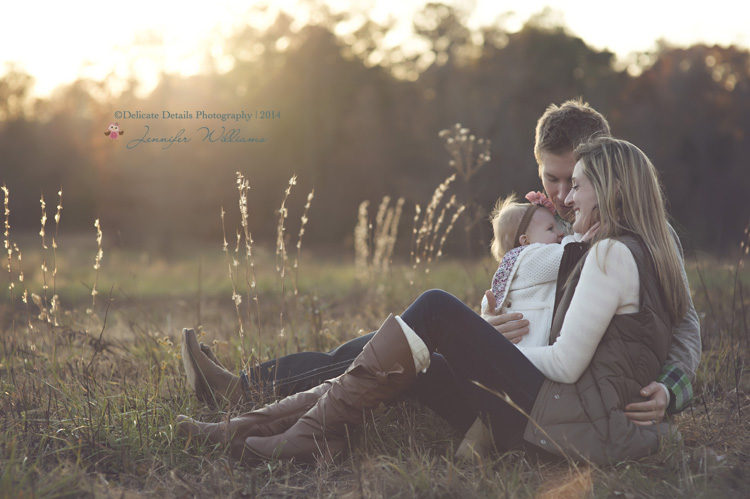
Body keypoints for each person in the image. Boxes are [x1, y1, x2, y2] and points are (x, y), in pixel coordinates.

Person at [180, 98, 700, 428]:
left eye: (573, 180)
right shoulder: (543, 224)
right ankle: (248, 393)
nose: (561, 195)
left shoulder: (640, 237)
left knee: (416, 335)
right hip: (519, 362)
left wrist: (672, 390)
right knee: (392, 340)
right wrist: (484, 320)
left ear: (602, 165)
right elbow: (505, 293)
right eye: (551, 179)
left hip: (557, 392)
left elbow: (683, 324)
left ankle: (254, 401)